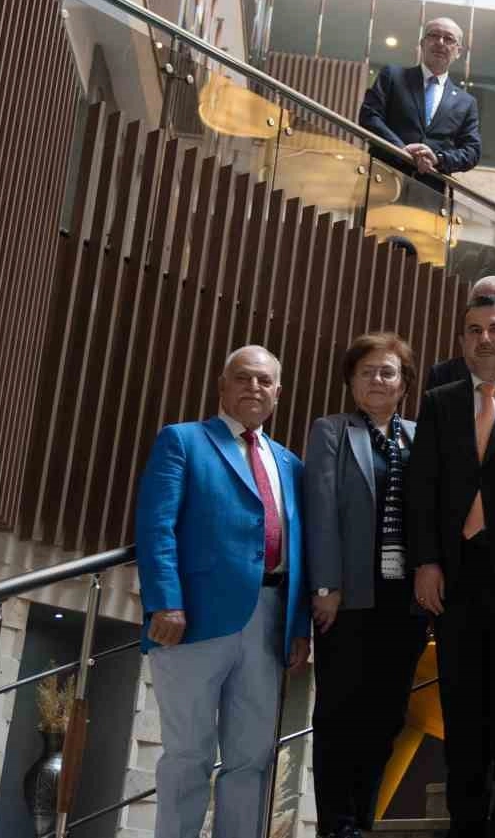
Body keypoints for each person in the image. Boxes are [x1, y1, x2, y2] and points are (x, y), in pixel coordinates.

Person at [135, 346, 310, 838]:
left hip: (270, 620)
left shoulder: (291, 464)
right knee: (188, 752)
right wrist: (165, 601)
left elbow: (303, 549)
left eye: (264, 381)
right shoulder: (183, 441)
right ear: (222, 385)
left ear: (278, 393)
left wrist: (298, 627)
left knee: (252, 757)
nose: (254, 387)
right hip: (192, 619)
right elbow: (156, 525)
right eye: (243, 378)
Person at [406, 296, 495, 838]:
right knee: (461, 702)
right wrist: (426, 561)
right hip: (456, 576)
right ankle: (466, 819)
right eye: (473, 330)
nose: (483, 339)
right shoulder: (440, 402)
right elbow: (422, 488)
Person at [305, 333, 428, 838]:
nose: (377, 379)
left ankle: (362, 820)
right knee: (340, 714)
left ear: (404, 383)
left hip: (406, 601)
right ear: (352, 381)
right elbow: (321, 509)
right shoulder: (332, 431)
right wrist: (325, 586)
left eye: (387, 371)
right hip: (348, 599)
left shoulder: (420, 436)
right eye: (366, 371)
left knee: (387, 715)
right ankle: (335, 825)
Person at [359, 17, 482, 194]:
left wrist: (438, 158)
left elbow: (472, 151)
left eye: (448, 39)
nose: (440, 42)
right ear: (422, 43)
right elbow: (369, 116)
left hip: (430, 192)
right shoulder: (392, 76)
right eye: (434, 35)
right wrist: (401, 149)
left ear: (458, 51)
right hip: (381, 180)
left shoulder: (466, 102)